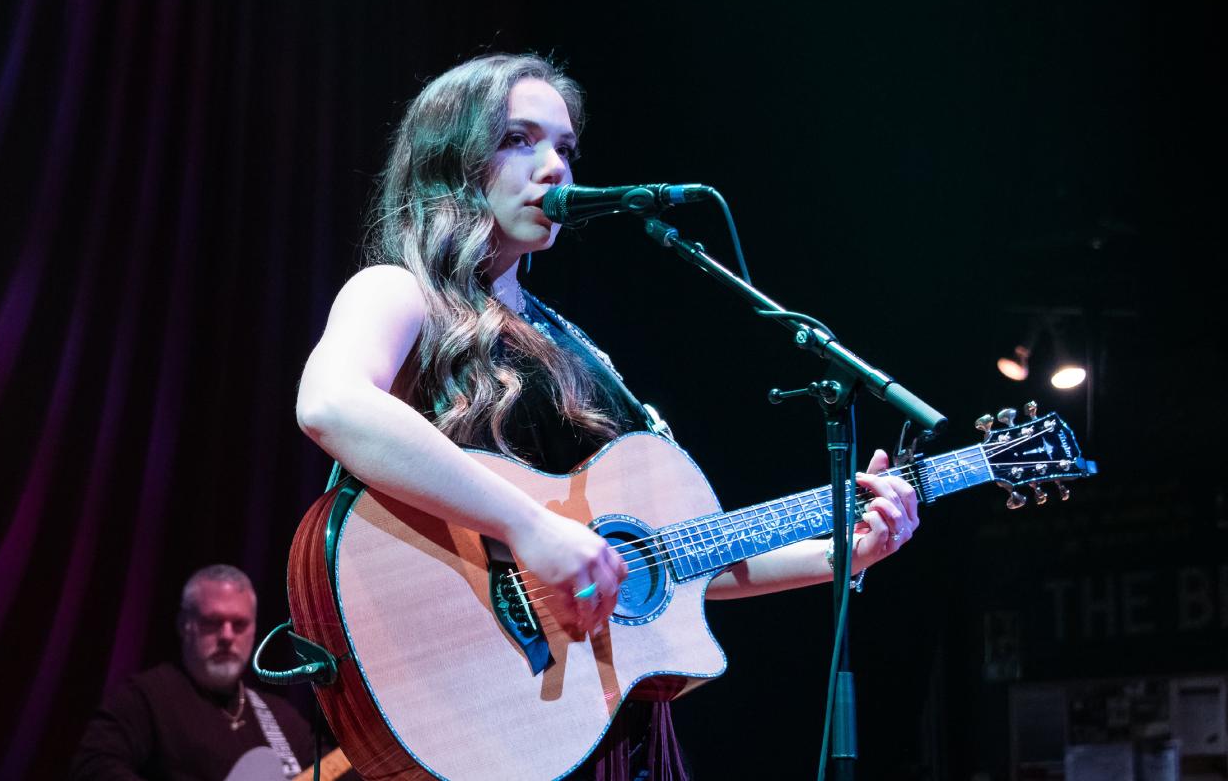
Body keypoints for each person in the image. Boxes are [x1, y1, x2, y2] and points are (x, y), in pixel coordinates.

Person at [294, 53, 920, 780]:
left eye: (564, 146)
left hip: (606, 728)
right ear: (451, 157)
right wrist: (530, 527)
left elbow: (655, 566)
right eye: (519, 139)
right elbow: (332, 403)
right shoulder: (400, 291)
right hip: (489, 715)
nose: (555, 166)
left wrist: (842, 554)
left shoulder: (574, 344)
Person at [71, 564, 325, 780]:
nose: (227, 635)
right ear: (185, 625)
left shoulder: (282, 718)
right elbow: (92, 768)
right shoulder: (143, 698)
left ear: (254, 629)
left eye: (239, 624)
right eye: (212, 622)